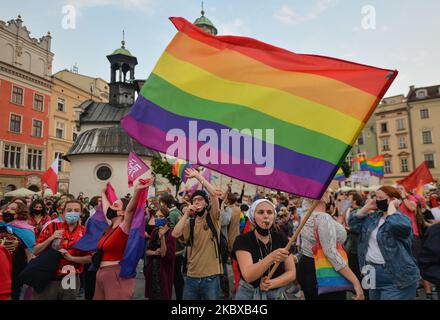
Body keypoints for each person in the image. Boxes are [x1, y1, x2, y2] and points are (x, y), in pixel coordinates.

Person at [349, 186, 420, 300]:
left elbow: (396, 225)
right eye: (376, 197)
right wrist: (366, 208)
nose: (377, 200)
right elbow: (353, 224)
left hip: (396, 275)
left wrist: (392, 207)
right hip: (371, 272)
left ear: (393, 200)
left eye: (380, 197)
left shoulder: (402, 219)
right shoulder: (373, 217)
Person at [297, 192, 364, 300]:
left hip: (306, 265)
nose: (330, 194)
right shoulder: (323, 218)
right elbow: (330, 252)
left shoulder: (306, 214)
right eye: (327, 191)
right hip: (324, 269)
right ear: (321, 196)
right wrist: (355, 281)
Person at [93, 179, 152, 300]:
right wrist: (103, 193)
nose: (111, 206)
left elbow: (130, 210)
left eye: (115, 205)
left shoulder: (124, 227)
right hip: (101, 273)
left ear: (122, 213)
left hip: (116, 274)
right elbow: (106, 210)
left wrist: (137, 191)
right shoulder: (111, 226)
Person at [172, 168, 222, 300]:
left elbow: (213, 195)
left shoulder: (213, 217)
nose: (197, 202)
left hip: (211, 277)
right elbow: (175, 234)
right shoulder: (191, 222)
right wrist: (186, 214)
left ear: (206, 203)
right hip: (191, 277)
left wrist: (198, 176)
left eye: (200, 199)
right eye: (194, 200)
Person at [231, 199, 295, 300]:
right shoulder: (242, 240)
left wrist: (271, 283)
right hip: (249, 295)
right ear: (253, 216)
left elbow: (291, 272)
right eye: (260, 212)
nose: (265, 216)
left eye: (269, 212)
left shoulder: (281, 238)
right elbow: (248, 275)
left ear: (274, 216)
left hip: (276, 294)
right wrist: (272, 257)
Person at [32, 200, 92, 300]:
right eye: (69, 210)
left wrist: (72, 258)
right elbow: (35, 250)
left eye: (76, 210)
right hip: (48, 276)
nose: (72, 212)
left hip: (70, 277)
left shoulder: (85, 232)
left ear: (81, 213)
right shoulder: (52, 227)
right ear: (63, 213)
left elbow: (90, 258)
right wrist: (51, 238)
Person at [0, 202, 35, 300]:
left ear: (20, 213)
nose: (8, 211)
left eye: (12, 209)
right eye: (7, 208)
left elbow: (30, 254)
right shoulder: (1, 226)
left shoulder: (26, 231)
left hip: (16, 272)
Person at [144, 208, 176, 300]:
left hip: (164, 270)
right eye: (156, 216)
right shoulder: (154, 231)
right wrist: (154, 252)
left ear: (166, 218)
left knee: (163, 294)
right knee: (152, 295)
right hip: (153, 269)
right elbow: (147, 251)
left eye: (161, 216)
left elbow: (164, 254)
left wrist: (162, 237)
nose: (158, 218)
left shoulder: (171, 233)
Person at [159, 193, 185, 300]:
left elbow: (172, 232)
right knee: (177, 275)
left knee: (175, 276)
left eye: (162, 202)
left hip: (175, 249)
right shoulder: (177, 211)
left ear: (165, 203)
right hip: (179, 248)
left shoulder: (172, 214)